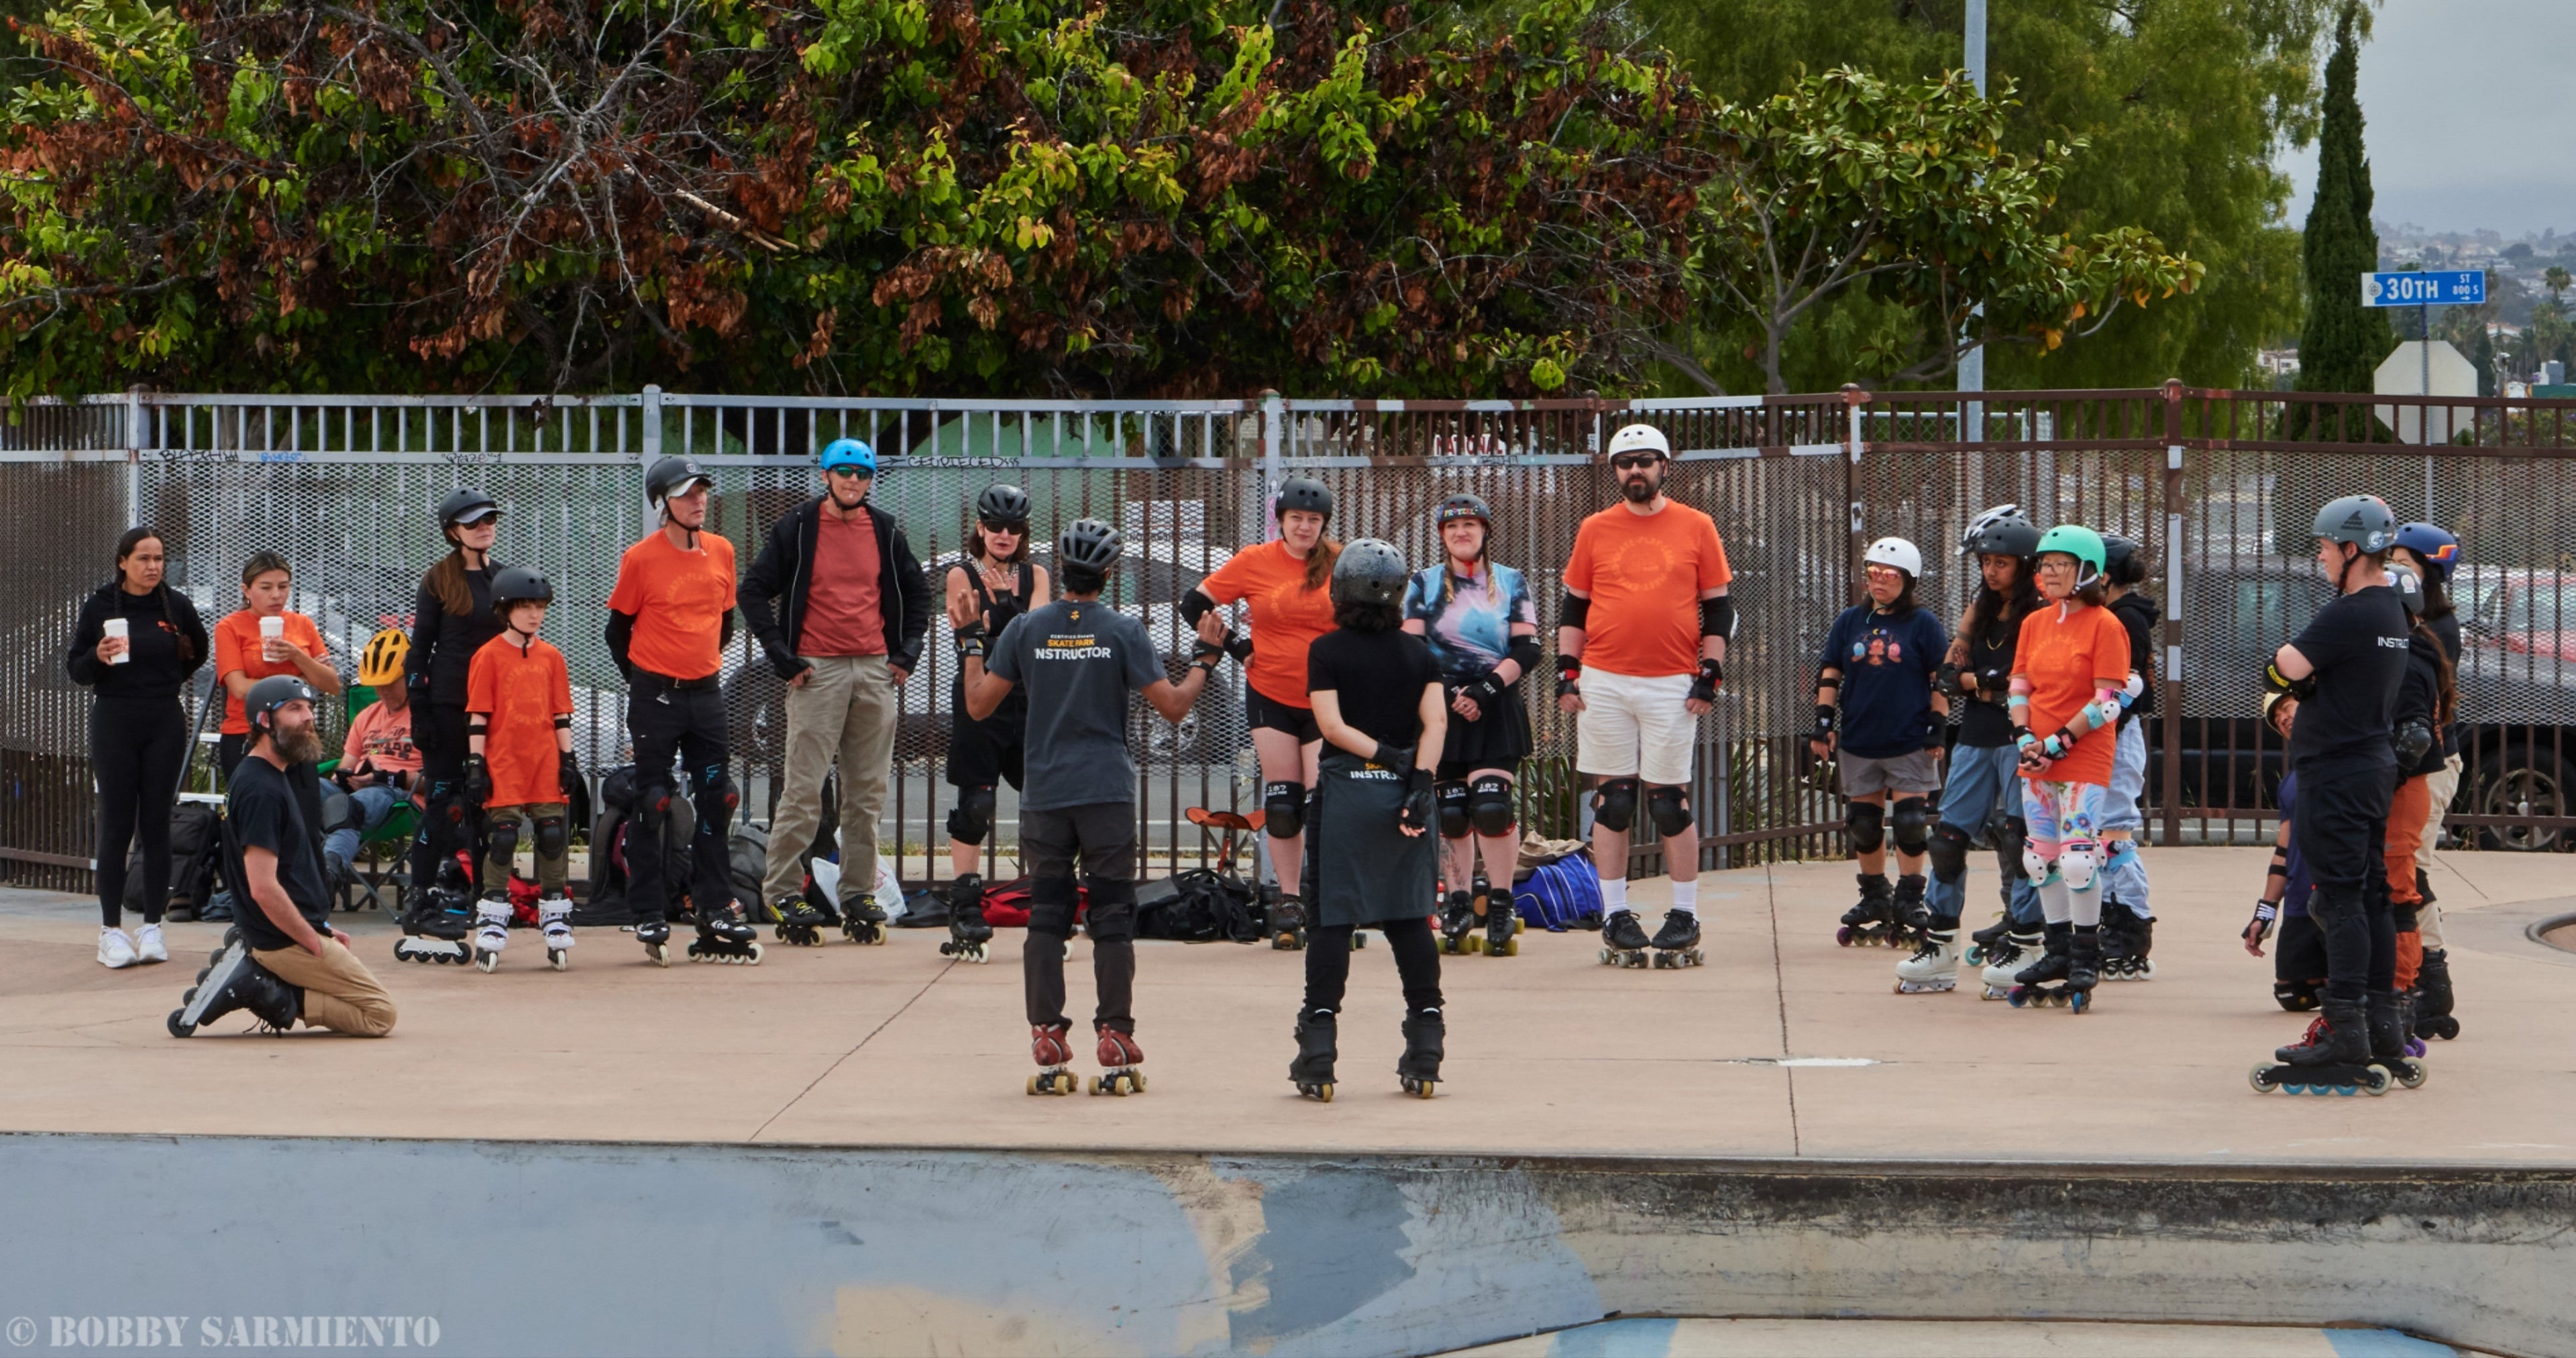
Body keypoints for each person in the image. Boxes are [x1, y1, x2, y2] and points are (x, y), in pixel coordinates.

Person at [961, 519, 1222, 1095]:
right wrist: (1206, 656)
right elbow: (1175, 707)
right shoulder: (1123, 631)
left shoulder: (1027, 629)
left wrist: (970, 644)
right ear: (1109, 574)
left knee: (1047, 918)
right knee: (1110, 917)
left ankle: (1047, 1033)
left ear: (1060, 571)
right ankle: (1115, 1034)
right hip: (1106, 792)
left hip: (1046, 796)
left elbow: (979, 707)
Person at [741, 437, 932, 947]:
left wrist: (905, 653)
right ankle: (782, 890)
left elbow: (917, 593)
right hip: (817, 670)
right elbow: (753, 589)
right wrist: (782, 655)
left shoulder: (885, 530)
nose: (853, 481)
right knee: (804, 790)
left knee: (866, 793)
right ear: (825, 476)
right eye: (844, 472)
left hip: (874, 670)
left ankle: (856, 893)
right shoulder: (799, 527)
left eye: (863, 474)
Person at [1556, 424, 1732, 963]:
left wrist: (1711, 672)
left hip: (1672, 682)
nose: (1636, 471)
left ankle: (1685, 914)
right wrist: (1567, 670)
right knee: (1613, 802)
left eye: (1646, 461)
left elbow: (1719, 606)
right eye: (1625, 462)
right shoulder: (1595, 528)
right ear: (1614, 470)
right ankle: (1615, 914)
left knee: (1668, 803)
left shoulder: (1696, 526)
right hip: (1605, 679)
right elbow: (1575, 608)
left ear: (1664, 466)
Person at [1291, 540, 1452, 1100]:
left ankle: (1318, 1047)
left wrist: (1383, 756)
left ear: (1340, 590)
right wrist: (1419, 781)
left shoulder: (1327, 651)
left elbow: (1331, 728)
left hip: (1347, 795)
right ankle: (1427, 1037)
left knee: (1332, 919)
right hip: (1407, 798)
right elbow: (1435, 723)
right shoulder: (1421, 655)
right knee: (1409, 916)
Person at [2263, 494, 2409, 1072]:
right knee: (2371, 894)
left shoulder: (2349, 612)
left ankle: (2344, 1028)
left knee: (2338, 898)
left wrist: (2297, 681)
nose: (2321, 558)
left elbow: (2283, 666)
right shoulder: (2392, 610)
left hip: (2336, 771)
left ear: (2352, 550)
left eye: (2325, 548)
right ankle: (2382, 1024)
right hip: (2371, 765)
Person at [168, 676, 397, 1038]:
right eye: (294, 709)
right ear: (264, 721)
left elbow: (290, 873)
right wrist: (309, 939)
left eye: (309, 708)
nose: (308, 718)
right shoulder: (261, 790)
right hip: (282, 941)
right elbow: (263, 888)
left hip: (289, 932)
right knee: (379, 1014)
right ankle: (262, 986)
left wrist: (321, 928)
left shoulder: (272, 776)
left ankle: (259, 977)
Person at [607, 454, 757, 965]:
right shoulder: (641, 559)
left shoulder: (721, 551)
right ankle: (648, 909)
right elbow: (617, 632)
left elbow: (725, 623)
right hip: (657, 695)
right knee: (654, 801)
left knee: (721, 797)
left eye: (702, 492)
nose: (699, 501)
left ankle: (714, 903)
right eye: (687, 493)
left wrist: (698, 668)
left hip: (706, 692)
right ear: (662, 503)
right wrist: (648, 683)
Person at [1183, 477, 1339, 943]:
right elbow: (1193, 603)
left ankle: (1326, 898)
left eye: (1314, 521)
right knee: (1284, 803)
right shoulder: (1255, 561)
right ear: (1281, 521)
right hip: (1270, 691)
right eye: (1297, 519)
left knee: (1322, 802)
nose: (1305, 528)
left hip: (1326, 696)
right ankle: (1289, 901)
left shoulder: (1338, 561)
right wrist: (1237, 646)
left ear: (1324, 524)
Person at [2002, 524, 2135, 1011]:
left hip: (2082, 755)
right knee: (2039, 858)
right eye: (2045, 564)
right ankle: (2056, 949)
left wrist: (2059, 741)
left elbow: (2108, 700)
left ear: (2088, 571)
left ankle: (2085, 953)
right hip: (2036, 755)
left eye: (2061, 564)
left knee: (2078, 858)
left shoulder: (2107, 626)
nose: (2049, 572)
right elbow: (2019, 686)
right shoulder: (2034, 623)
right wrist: (2024, 736)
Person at [1401, 493, 1540, 959]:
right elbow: (1411, 650)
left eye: (1470, 526)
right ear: (1442, 535)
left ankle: (1500, 901)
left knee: (1492, 808)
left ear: (1485, 532)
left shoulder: (1510, 581)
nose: (1462, 533)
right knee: (1454, 814)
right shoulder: (1422, 584)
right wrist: (1447, 695)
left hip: (1494, 704)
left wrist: (1484, 691)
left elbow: (1528, 649)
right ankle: (1458, 900)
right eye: (1452, 527)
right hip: (1441, 707)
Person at [68, 527, 209, 969]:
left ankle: (151, 927)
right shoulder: (99, 606)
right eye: (144, 558)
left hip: (163, 719)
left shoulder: (177, 606)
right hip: (115, 717)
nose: (153, 567)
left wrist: (164, 679)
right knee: (116, 824)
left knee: (155, 824)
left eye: (159, 558)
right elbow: (76, 669)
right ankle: (111, 931)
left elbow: (197, 653)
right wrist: (99, 657)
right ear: (123, 562)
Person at [1807, 537, 1949, 972]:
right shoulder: (1850, 620)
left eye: (1889, 575)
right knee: (1864, 824)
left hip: (1908, 740)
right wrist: (1823, 721)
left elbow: (1939, 677)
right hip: (1860, 739)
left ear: (1907, 580)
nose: (1879, 580)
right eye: (1873, 573)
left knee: (1909, 823)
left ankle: (1909, 898)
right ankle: (1874, 896)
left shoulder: (1922, 623)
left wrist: (1938, 725)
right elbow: (1831, 670)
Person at [1930, 507, 2049, 999]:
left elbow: (2030, 678)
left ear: (2023, 565)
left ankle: (2025, 941)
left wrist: (1976, 683)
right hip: (1977, 735)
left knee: (2021, 840)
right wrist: (1984, 684)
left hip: (2021, 735)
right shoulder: (1978, 609)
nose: (1990, 571)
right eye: (1985, 562)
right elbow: (1944, 676)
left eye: (2001, 563)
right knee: (1948, 838)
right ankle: (1938, 944)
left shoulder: (2039, 612)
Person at [936, 484, 1048, 955]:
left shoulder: (1036, 572)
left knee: (1046, 801)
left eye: (1014, 528)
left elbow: (1034, 633)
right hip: (981, 695)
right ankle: (965, 903)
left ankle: (1049, 902)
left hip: (1030, 700)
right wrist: (1007, 615)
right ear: (980, 528)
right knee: (976, 803)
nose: (1004, 535)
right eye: (996, 526)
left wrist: (1001, 615)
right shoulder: (961, 574)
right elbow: (971, 630)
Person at [462, 567, 580, 972]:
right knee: (503, 837)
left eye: (540, 607)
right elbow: (478, 715)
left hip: (545, 759)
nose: (535, 615)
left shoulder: (552, 657)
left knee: (552, 835)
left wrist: (568, 759)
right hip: (505, 761)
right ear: (504, 610)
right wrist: (476, 764)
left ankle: (555, 913)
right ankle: (494, 915)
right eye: (526, 607)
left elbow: (561, 713)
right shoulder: (488, 656)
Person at [405, 489, 507, 910]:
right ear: (453, 532)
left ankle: (486, 894)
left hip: (495, 709)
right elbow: (418, 651)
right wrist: (420, 711)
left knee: (487, 805)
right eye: (473, 523)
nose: (484, 528)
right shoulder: (438, 579)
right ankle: (421, 893)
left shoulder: (504, 578)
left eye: (490, 520)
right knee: (442, 802)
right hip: (448, 707)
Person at [2388, 521, 2463, 1041]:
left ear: (2429, 575)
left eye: (2405, 564)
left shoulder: (2436, 631)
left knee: (2411, 870)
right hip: (2419, 764)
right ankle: (2422, 980)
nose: (2394, 571)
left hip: (2431, 765)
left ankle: (2429, 980)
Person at [212, 551, 341, 781]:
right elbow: (239, 688)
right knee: (258, 809)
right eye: (266, 587)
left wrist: (296, 655)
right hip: (248, 733)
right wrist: (302, 680)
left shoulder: (303, 624)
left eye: (283, 586)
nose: (276, 595)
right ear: (246, 590)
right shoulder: (230, 627)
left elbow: (332, 685)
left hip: (297, 735)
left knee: (304, 812)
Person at [2096, 535, 2158, 979]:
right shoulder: (2112, 616)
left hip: (2117, 735)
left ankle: (2131, 929)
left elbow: (2124, 689)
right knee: (2096, 838)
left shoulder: (2127, 619)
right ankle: (2105, 921)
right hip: (2103, 735)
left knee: (2114, 835)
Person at [324, 628, 426, 890]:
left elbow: (437, 779)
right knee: (298, 793)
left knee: (350, 807)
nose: (383, 691)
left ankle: (328, 873)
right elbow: (344, 769)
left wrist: (383, 777)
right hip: (357, 795)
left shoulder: (429, 715)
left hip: (401, 797)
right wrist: (348, 778)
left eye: (391, 683)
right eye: (377, 685)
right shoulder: (367, 716)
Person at [2243, 693, 2326, 1012]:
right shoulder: (2291, 782)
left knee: (2345, 989)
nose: (2283, 719)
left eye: (2287, 708)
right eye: (2277, 719)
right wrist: (2264, 914)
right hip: (2299, 902)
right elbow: (2283, 852)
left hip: (2335, 899)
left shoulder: (2345, 764)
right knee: (2291, 996)